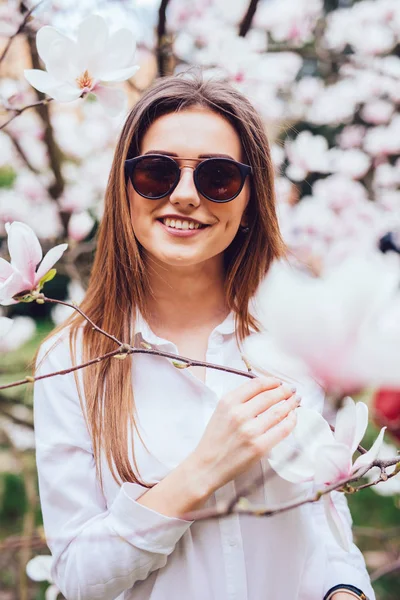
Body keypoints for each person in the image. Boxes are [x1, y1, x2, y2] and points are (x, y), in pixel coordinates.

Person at [33, 72, 375, 600]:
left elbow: (326, 529)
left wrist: (346, 590)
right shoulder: (70, 361)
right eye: (155, 172)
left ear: (248, 201)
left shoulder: (294, 336)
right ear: (124, 189)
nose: (186, 196)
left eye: (218, 178)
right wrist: (200, 471)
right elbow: (77, 576)